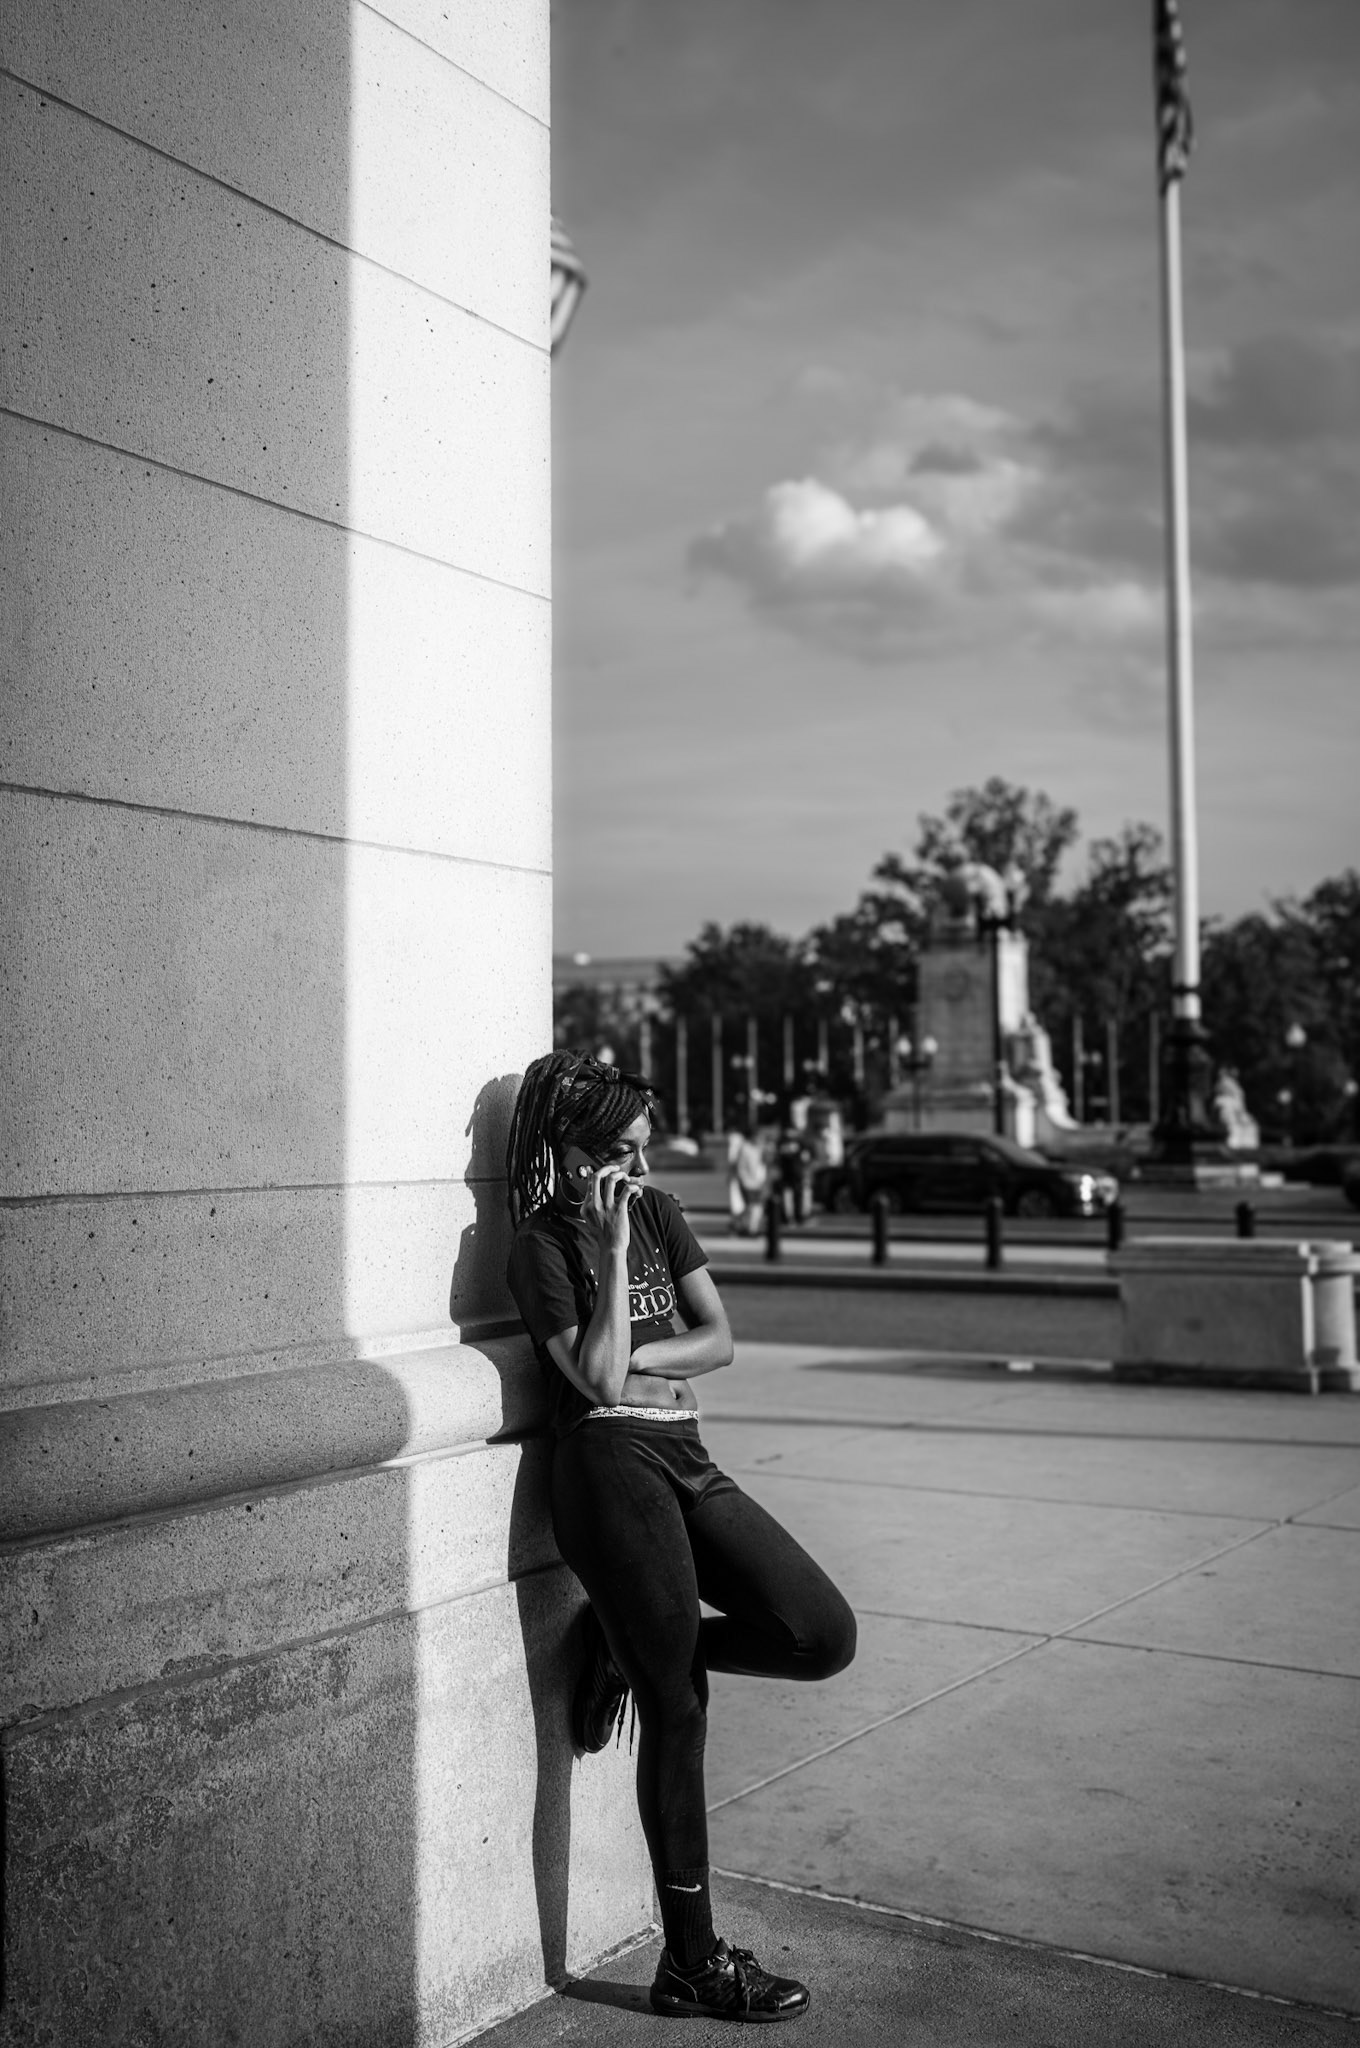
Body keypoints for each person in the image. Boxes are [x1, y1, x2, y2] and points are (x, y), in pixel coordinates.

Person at [505, 1051, 856, 2024]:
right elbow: (601, 1386)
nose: (637, 1168)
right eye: (614, 1151)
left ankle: (628, 1642)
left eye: (642, 1149)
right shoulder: (540, 1245)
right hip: (607, 1473)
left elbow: (719, 1337)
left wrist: (638, 1358)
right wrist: (612, 1259)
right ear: (564, 1153)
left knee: (818, 1632)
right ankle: (691, 1963)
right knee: (681, 1702)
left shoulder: (659, 1210)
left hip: (686, 1455)